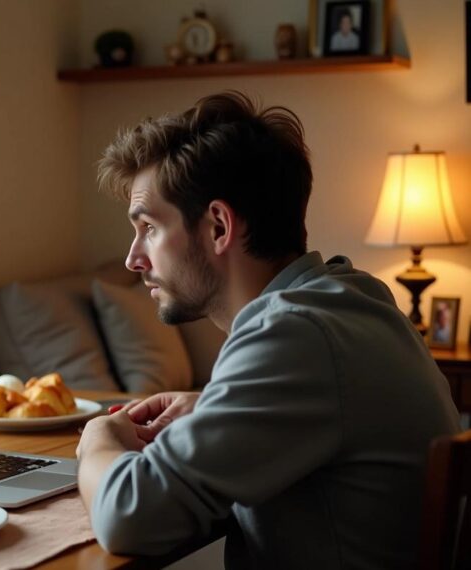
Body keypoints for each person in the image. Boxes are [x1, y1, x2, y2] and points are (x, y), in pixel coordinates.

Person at [76, 91, 459, 569]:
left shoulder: (295, 335)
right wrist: (214, 409)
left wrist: (97, 439)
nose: (134, 258)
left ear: (218, 226)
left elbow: (128, 518)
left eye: (149, 227)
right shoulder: (353, 295)